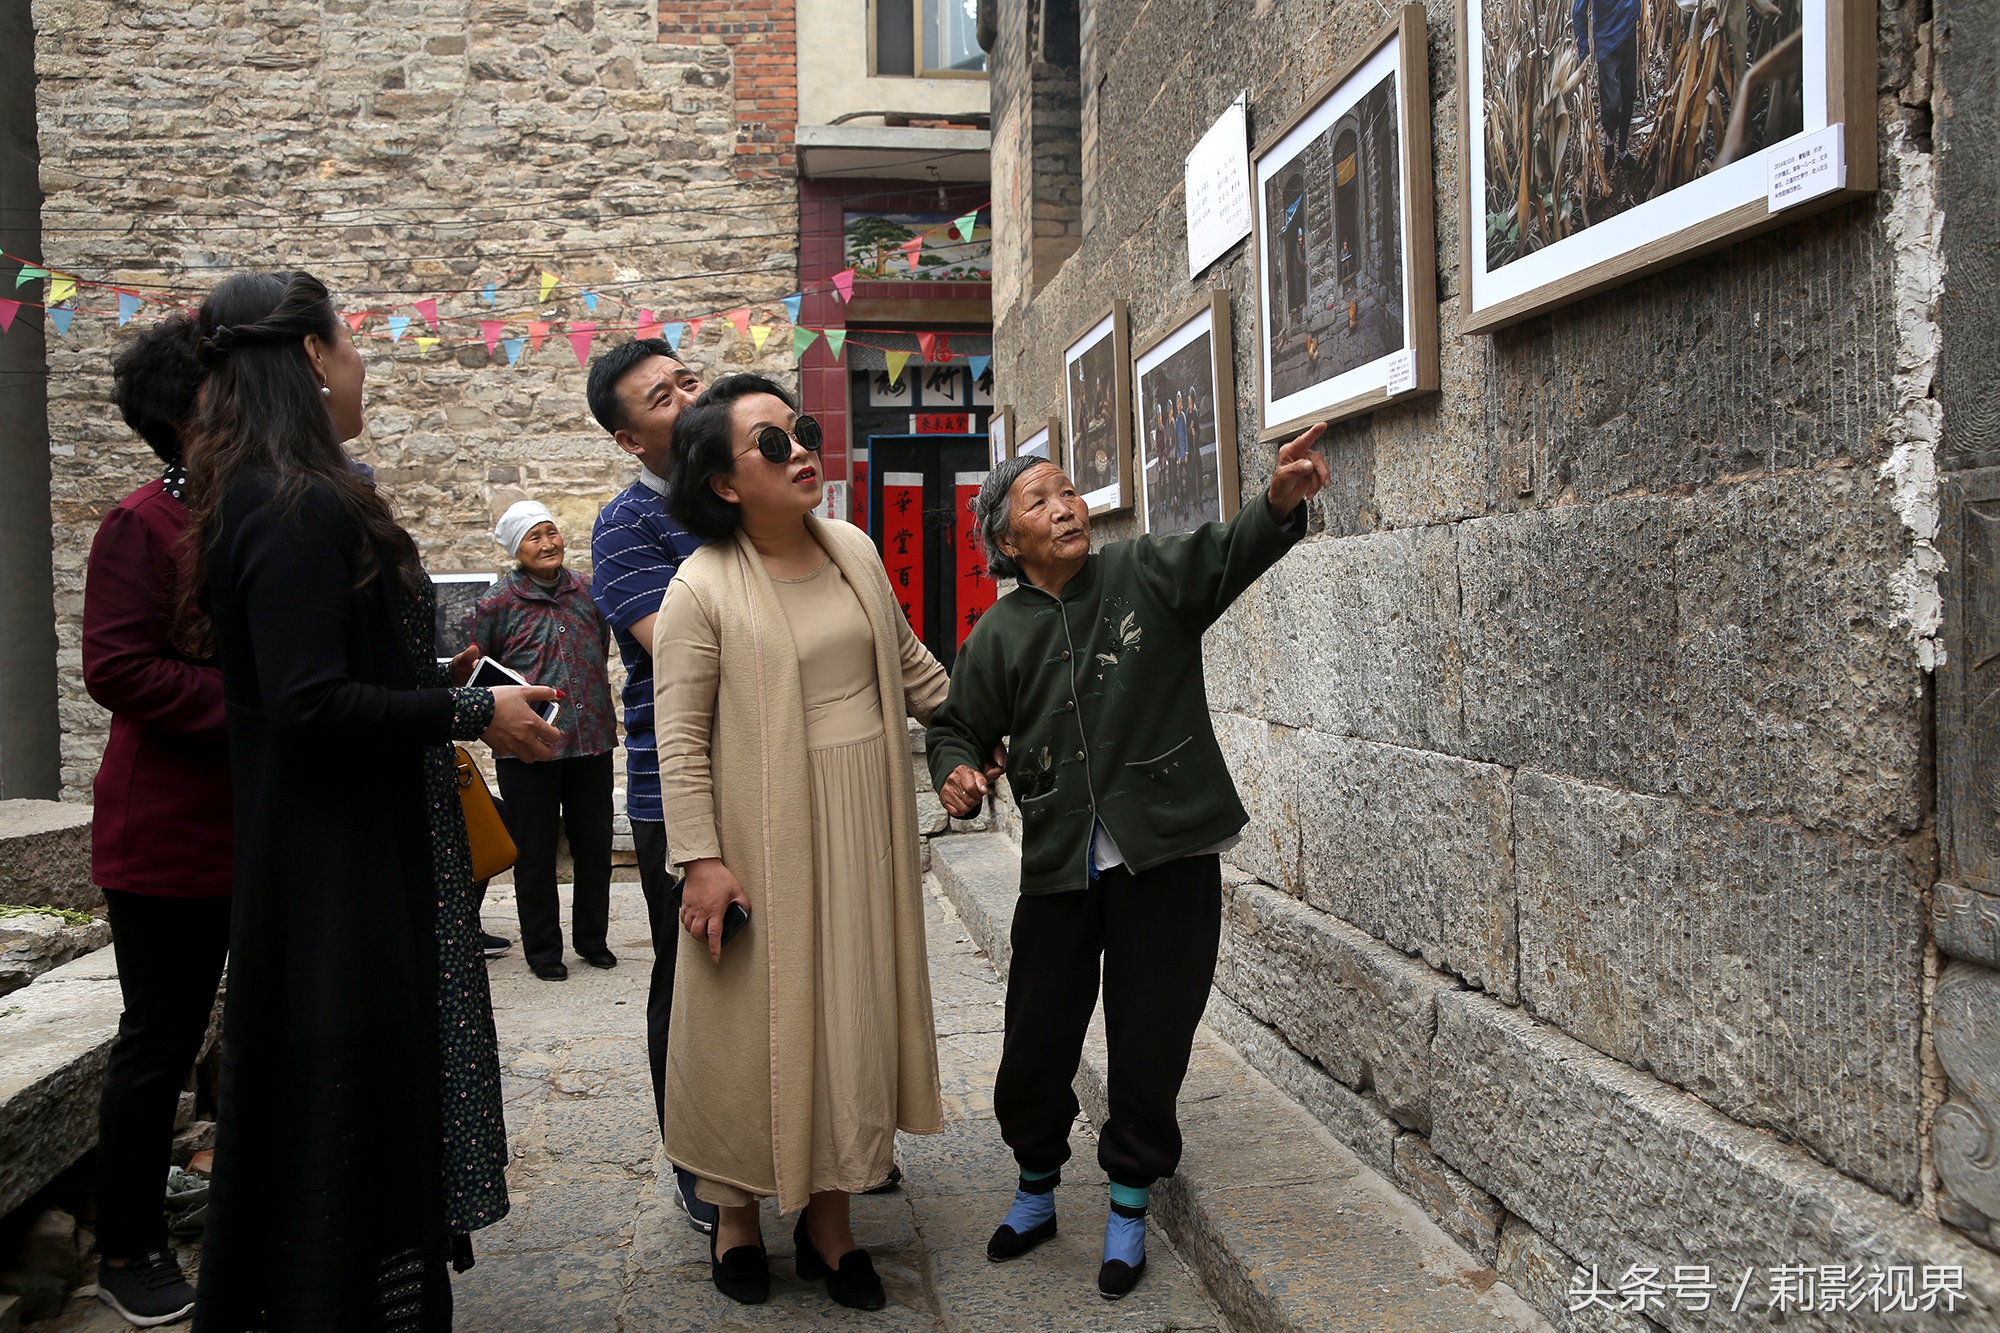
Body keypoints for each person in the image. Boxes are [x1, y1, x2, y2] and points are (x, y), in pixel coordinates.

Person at [182, 270, 560, 1330]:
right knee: (347, 1127)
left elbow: (332, 673)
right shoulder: (288, 502)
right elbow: (306, 701)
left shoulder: (283, 492)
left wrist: (459, 690)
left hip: (355, 856)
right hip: (332, 877)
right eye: (349, 341)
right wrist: (471, 718)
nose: (362, 362)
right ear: (308, 356)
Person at [926, 425, 1331, 1299]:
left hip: (1167, 854)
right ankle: (1036, 1187)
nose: (1067, 506)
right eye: (1041, 500)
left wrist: (1278, 503)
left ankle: (1127, 1202)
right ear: (1007, 539)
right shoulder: (999, 633)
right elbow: (958, 723)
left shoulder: (1144, 572)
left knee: (1151, 1034)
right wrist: (956, 771)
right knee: (1035, 1041)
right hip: (1061, 866)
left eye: (1069, 491)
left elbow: (1229, 552)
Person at [655, 374, 976, 1309]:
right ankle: (737, 1211)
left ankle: (832, 1220)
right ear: (722, 482)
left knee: (847, 1008)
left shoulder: (854, 551)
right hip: (761, 836)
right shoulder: (699, 587)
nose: (799, 450)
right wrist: (702, 861)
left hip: (862, 825)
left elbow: (916, 669)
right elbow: (678, 739)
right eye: (769, 444)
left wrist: (986, 722)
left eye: (799, 430)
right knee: (749, 1021)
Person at [82, 312, 227, 1327]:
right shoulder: (142, 523)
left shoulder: (255, 512)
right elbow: (117, 667)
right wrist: (262, 710)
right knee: (160, 1038)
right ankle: (126, 1241)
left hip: (260, 823)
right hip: (166, 831)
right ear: (190, 416)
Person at [583, 337, 714, 1231]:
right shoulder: (626, 524)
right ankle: (699, 1155)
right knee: (695, 971)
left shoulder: (745, 494)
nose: (686, 397)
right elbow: (680, 647)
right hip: (679, 787)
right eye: (661, 396)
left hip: (781, 768)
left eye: (689, 379)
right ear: (631, 439)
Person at [461, 500, 618, 982]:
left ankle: (592, 941)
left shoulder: (589, 592)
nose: (548, 543)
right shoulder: (495, 602)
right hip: (528, 747)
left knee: (594, 848)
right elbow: (474, 667)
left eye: (551, 533)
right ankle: (544, 951)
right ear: (516, 549)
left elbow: (601, 646)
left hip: (591, 740)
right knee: (534, 853)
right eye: (534, 537)